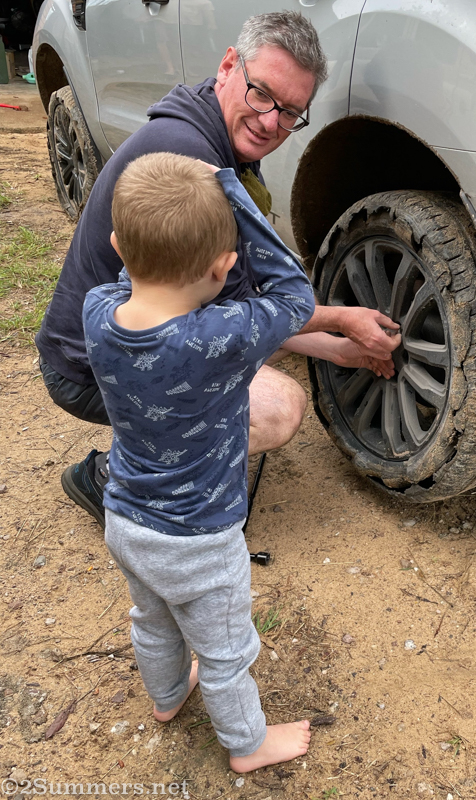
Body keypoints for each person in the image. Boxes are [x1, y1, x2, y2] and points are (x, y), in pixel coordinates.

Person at [36, 11, 401, 527]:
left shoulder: (206, 124)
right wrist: (341, 321)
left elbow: (240, 316)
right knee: (278, 407)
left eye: (291, 111)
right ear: (229, 66)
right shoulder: (196, 166)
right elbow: (256, 314)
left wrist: (340, 350)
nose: (272, 121)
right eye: (263, 94)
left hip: (112, 336)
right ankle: (116, 481)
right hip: (87, 369)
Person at [84, 151, 318, 770]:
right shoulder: (221, 338)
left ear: (116, 244)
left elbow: (120, 276)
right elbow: (295, 295)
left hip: (125, 517)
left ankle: (165, 697)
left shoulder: (98, 315)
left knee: (151, 618)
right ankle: (247, 744)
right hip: (201, 540)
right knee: (225, 652)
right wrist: (231, 192)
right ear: (224, 266)